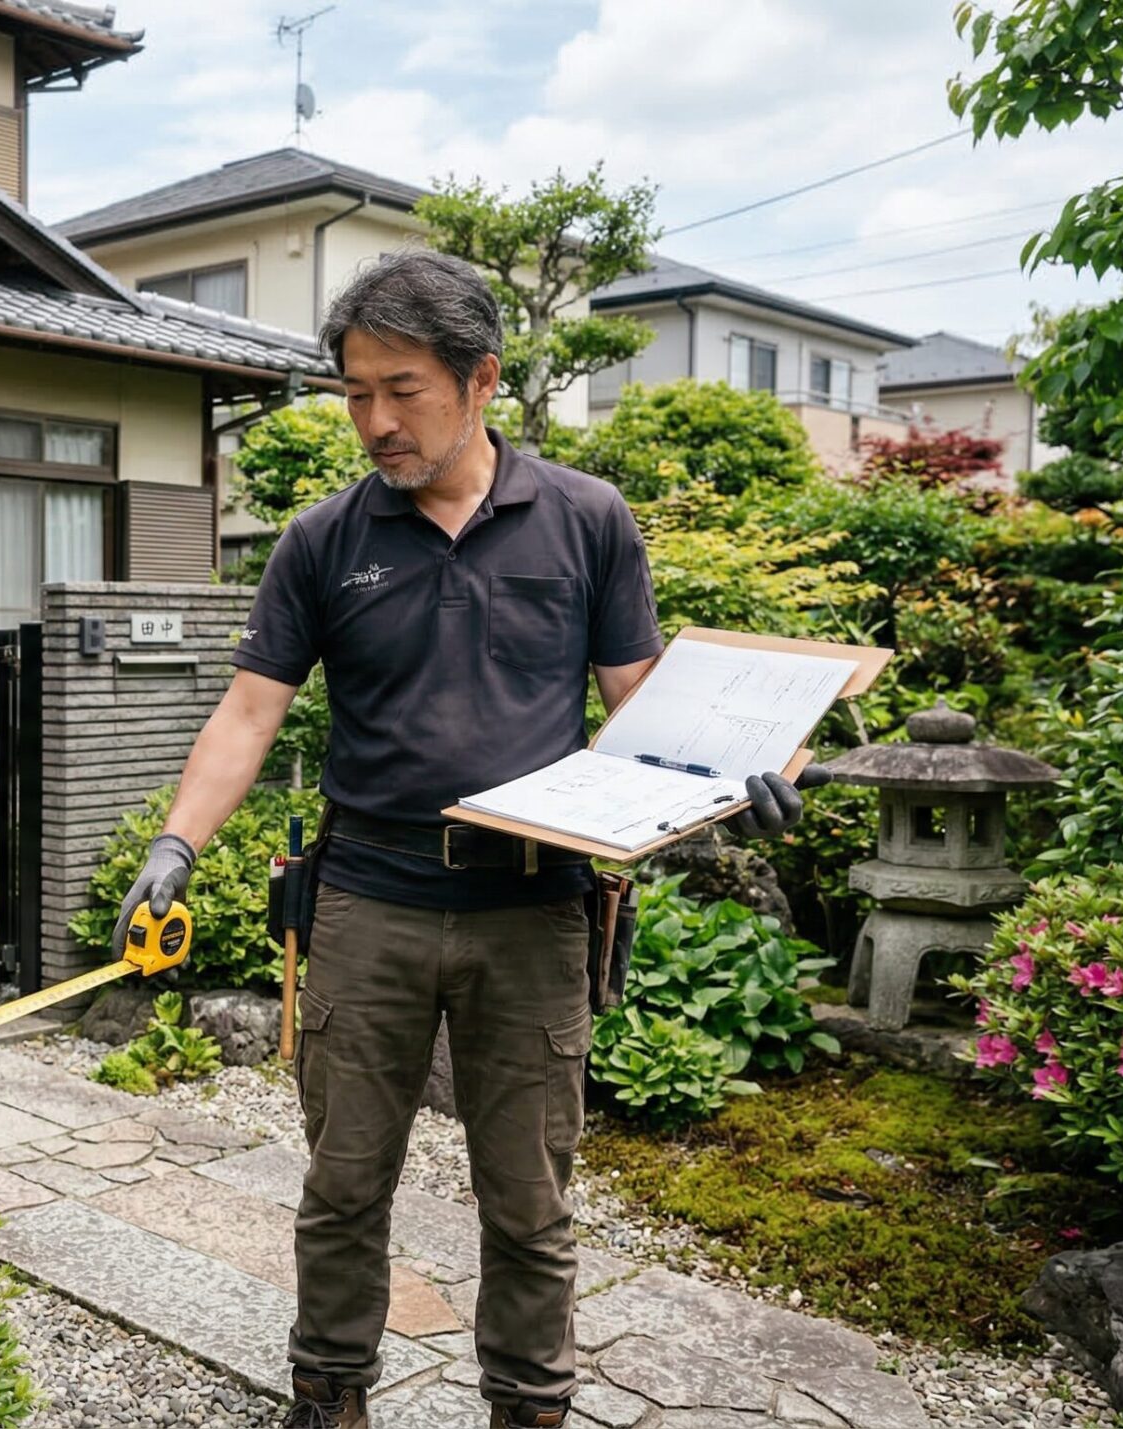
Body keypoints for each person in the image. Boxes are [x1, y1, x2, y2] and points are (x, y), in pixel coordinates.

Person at [113, 251, 821, 1429]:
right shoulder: (322, 540)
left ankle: (529, 1407)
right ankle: (328, 1397)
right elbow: (248, 710)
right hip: (365, 907)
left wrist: (747, 769)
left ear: (481, 379)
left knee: (530, 1200)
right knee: (342, 1187)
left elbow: (643, 707)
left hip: (534, 912)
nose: (374, 420)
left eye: (402, 389)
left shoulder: (585, 521)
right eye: (353, 393)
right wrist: (175, 846)